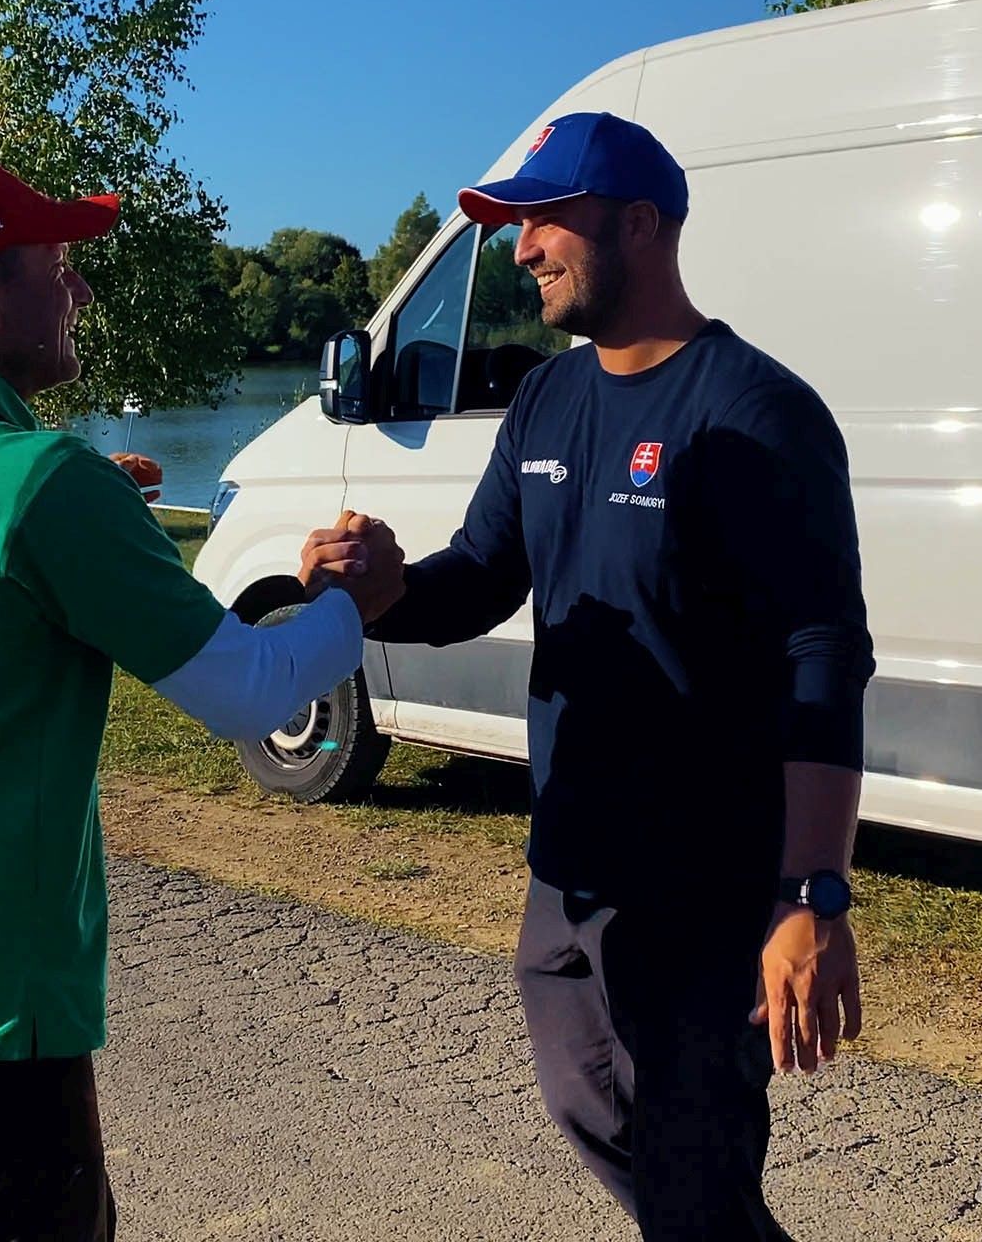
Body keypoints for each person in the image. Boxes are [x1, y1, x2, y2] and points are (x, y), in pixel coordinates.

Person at [0, 157, 404, 1242]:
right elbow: (252, 695)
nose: (83, 293)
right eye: (60, 266)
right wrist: (348, 607)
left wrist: (90, 520)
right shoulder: (42, 485)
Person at [302, 112, 873, 1241]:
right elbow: (480, 577)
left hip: (704, 889)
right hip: (567, 866)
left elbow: (825, 656)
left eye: (543, 220)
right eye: (515, 226)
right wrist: (381, 586)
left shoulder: (757, 414)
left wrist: (811, 892)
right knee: (594, 1112)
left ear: (640, 223)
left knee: (694, 1174)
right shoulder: (549, 402)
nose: (520, 250)